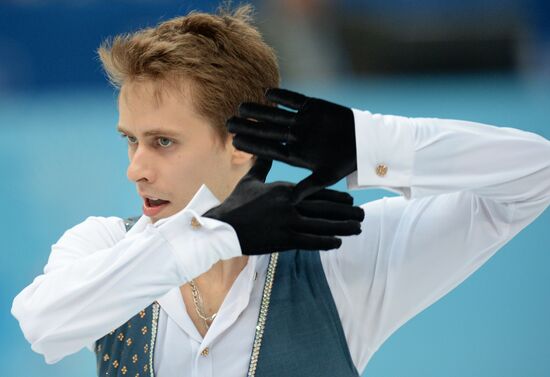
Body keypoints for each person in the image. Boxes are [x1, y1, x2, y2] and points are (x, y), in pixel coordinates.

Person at [10, 4, 550, 377]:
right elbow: (42, 323)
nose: (136, 169)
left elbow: (534, 173)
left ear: (240, 144)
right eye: (131, 141)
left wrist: (371, 141)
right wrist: (213, 235)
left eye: (163, 142)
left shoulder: (340, 262)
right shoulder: (103, 247)